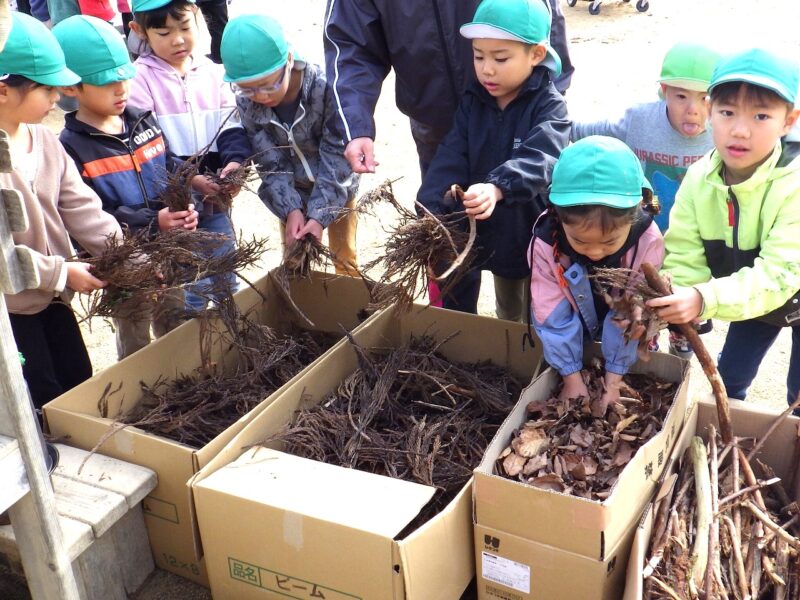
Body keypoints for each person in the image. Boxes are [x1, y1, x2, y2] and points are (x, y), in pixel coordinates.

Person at [649, 48, 800, 407]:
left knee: (799, 395)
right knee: (730, 378)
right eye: (727, 112)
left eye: (761, 115)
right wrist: (683, 296)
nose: (740, 130)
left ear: (789, 121)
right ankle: (732, 429)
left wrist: (706, 298)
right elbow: (684, 252)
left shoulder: (794, 183)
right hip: (750, 297)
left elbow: (780, 272)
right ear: (709, 110)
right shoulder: (699, 179)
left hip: (785, 284)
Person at [54, 15, 199, 359]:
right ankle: (141, 396)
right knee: (135, 334)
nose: (121, 89)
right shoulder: (72, 147)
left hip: (170, 250)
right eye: (107, 83)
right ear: (71, 88)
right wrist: (154, 221)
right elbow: (90, 218)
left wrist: (186, 202)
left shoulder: (143, 120)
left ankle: (184, 383)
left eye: (124, 78)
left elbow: (170, 168)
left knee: (176, 319)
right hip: (123, 265)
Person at [416, 0, 569, 322]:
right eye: (478, 56)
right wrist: (429, 207)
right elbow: (451, 153)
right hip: (473, 226)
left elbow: (542, 156)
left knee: (517, 311)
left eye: (501, 58)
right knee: (458, 290)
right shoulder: (473, 101)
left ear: (536, 54)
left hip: (523, 230)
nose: (487, 68)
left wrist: (498, 186)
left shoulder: (549, 107)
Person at [0, 13, 122, 410]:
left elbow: (84, 210)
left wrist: (127, 255)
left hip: (53, 298)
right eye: (46, 89)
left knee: (76, 381)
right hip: (10, 311)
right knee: (35, 395)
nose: (57, 99)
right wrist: (61, 272)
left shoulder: (47, 142)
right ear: (4, 90)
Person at [572, 41, 721, 358]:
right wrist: (554, 125)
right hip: (643, 238)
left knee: (684, 317)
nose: (693, 108)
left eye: (705, 98)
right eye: (681, 96)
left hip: (695, 245)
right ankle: (646, 348)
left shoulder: (723, 133)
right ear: (664, 91)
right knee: (642, 308)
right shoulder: (640, 121)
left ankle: (681, 352)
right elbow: (593, 130)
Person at [323, 0, 574, 177]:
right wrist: (355, 126)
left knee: (522, 209)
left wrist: (546, 99)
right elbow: (351, 43)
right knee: (446, 215)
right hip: (433, 117)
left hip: (516, 108)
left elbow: (542, 14)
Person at [128, 0, 251, 312]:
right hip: (176, 206)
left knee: (225, 274)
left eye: (184, 27)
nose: (178, 39)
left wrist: (234, 165)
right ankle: (199, 349)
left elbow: (232, 126)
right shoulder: (139, 80)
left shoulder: (212, 72)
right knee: (191, 284)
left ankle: (230, 338)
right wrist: (190, 179)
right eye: (164, 32)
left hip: (214, 197)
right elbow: (149, 150)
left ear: (198, 17)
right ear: (139, 30)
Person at [530, 136, 664, 415]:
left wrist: (613, 380)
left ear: (633, 216)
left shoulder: (647, 240)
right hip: (575, 314)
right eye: (580, 242)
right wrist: (571, 377)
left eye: (608, 243)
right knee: (566, 333)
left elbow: (630, 314)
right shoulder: (546, 243)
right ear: (559, 216)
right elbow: (551, 314)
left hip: (617, 312)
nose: (594, 253)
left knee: (632, 320)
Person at [220, 14, 359, 275]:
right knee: (295, 263)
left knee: (345, 259)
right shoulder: (248, 104)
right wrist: (291, 209)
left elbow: (336, 155)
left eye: (267, 85)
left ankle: (352, 310)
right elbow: (269, 160)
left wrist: (319, 215)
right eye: (248, 89)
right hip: (291, 191)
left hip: (336, 190)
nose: (260, 96)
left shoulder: (324, 89)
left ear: (289, 60)